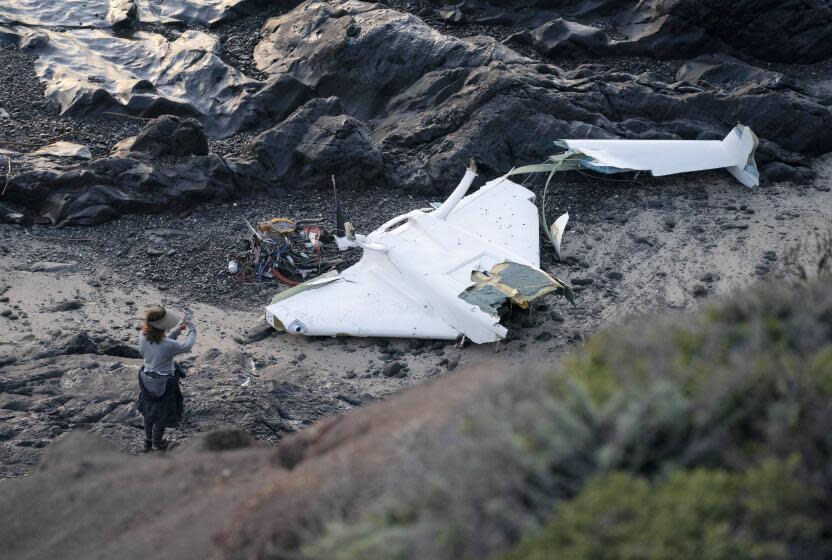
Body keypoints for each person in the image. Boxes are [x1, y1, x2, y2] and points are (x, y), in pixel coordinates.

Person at [137, 306, 197, 452]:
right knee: (161, 416)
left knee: (148, 413)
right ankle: (157, 445)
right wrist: (192, 330)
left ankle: (147, 442)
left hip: (145, 379)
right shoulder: (169, 345)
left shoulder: (143, 336)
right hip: (164, 384)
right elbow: (187, 345)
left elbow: (159, 346)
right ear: (162, 326)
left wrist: (176, 332)